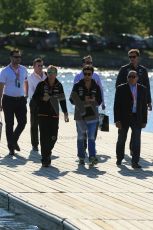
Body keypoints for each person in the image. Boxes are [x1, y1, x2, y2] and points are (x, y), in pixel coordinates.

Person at [116, 48, 152, 155]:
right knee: (123, 132)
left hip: (139, 104)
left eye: (133, 56)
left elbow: (147, 87)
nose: (132, 59)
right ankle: (120, 154)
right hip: (126, 105)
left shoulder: (143, 70)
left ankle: (133, 149)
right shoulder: (124, 69)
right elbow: (117, 85)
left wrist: (149, 101)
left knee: (137, 130)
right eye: (130, 57)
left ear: (138, 57)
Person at [32, 65, 69, 167]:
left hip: (54, 115)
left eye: (53, 73)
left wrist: (65, 112)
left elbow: (62, 100)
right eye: (49, 73)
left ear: (56, 74)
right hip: (42, 114)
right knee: (44, 137)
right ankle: (45, 158)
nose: (51, 75)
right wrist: (42, 99)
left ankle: (47, 152)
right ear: (46, 74)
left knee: (53, 137)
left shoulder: (59, 85)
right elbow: (34, 98)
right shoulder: (41, 84)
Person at [114, 70, 147, 169]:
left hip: (137, 117)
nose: (131, 78)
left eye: (133, 76)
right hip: (124, 118)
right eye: (129, 77)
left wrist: (144, 120)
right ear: (127, 78)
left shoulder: (142, 89)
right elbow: (116, 106)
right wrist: (117, 120)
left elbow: (144, 107)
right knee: (121, 139)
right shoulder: (121, 88)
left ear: (137, 78)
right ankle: (119, 158)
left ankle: (135, 162)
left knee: (136, 140)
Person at [70, 65, 102, 166]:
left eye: (89, 74)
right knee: (81, 137)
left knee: (91, 137)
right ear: (82, 74)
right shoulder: (77, 85)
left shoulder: (96, 86)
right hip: (80, 116)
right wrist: (84, 100)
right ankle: (81, 157)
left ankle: (92, 157)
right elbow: (71, 99)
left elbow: (99, 101)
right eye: (85, 74)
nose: (87, 76)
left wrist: (94, 101)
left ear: (92, 74)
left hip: (93, 116)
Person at [74, 55, 105, 152]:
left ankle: (91, 148)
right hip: (81, 109)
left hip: (93, 108)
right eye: (87, 62)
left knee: (93, 131)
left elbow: (101, 90)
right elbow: (74, 94)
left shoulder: (96, 76)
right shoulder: (78, 77)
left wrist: (102, 102)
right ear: (82, 63)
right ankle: (83, 150)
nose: (89, 64)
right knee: (82, 132)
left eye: (90, 63)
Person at [0, 49, 28, 155]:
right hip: (8, 100)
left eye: (19, 57)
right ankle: (11, 147)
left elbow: (25, 81)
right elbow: (1, 88)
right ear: (11, 58)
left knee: (23, 122)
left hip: (21, 100)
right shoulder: (5, 71)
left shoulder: (24, 69)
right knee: (9, 124)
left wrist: (26, 95)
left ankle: (13, 140)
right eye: (16, 57)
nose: (18, 59)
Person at [27, 58, 47, 151]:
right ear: (34, 66)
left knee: (45, 124)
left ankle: (45, 143)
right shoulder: (30, 78)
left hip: (46, 103)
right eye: (38, 66)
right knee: (34, 124)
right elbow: (31, 94)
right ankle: (35, 144)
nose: (40, 67)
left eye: (41, 65)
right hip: (35, 103)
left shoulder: (46, 75)